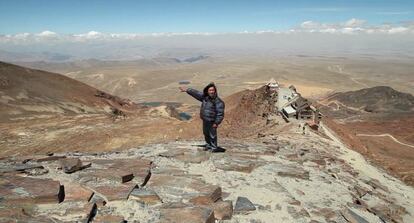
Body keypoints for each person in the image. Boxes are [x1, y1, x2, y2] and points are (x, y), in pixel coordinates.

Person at [179, 82, 225, 152]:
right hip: (205, 120)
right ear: (207, 91)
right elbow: (197, 93)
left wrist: (216, 123)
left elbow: (220, 114)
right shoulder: (205, 98)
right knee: (206, 133)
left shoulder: (218, 101)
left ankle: (214, 148)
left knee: (212, 135)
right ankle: (208, 145)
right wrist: (187, 90)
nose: (212, 92)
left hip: (212, 121)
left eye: (213, 90)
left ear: (215, 91)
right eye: (210, 90)